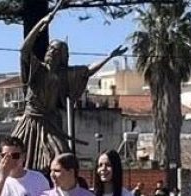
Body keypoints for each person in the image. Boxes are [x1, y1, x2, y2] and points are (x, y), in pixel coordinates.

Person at [12, 8, 124, 174]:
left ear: (63, 56)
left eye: (57, 51)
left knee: (61, 155)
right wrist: (40, 24)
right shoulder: (37, 69)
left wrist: (109, 56)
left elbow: (87, 71)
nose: (51, 53)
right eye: (51, 49)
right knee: (15, 154)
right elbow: (24, 50)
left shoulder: (64, 75)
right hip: (30, 121)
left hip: (50, 122)